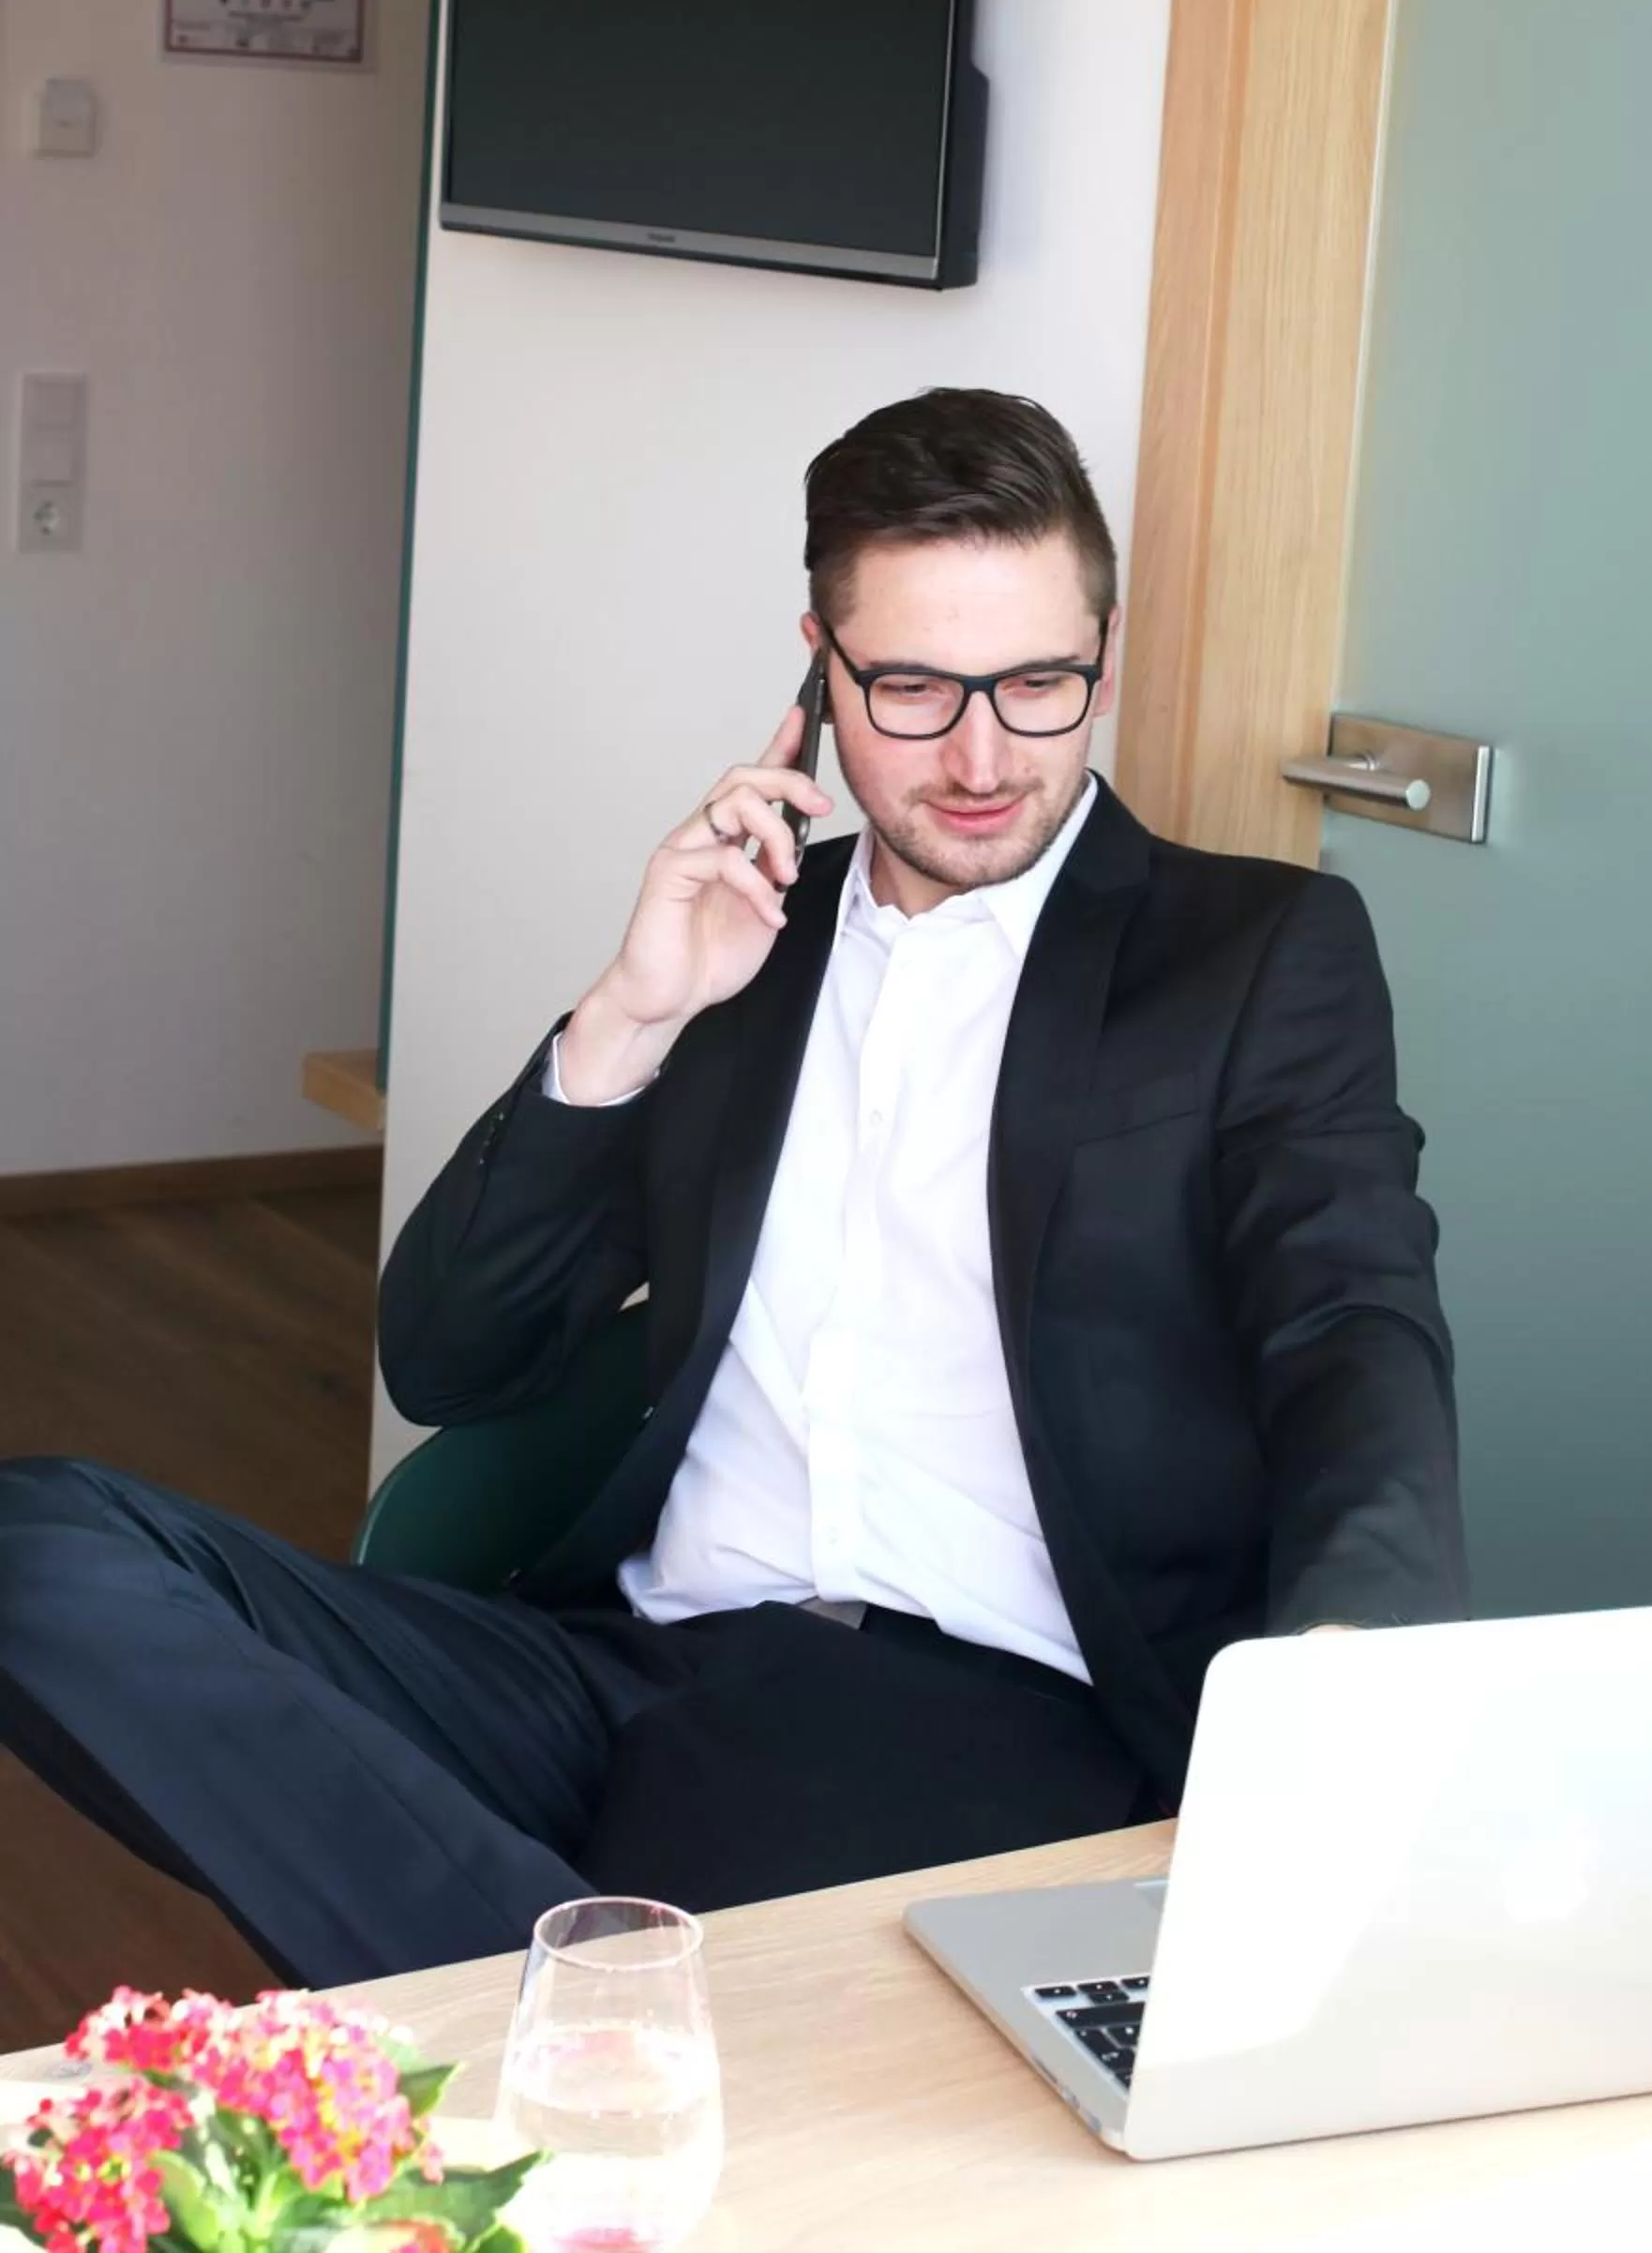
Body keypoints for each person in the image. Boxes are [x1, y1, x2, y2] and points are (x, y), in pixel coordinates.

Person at [0, 390, 1464, 1987]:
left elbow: (1351, 1321)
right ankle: (597, 1998)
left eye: (1039, 685)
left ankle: (548, 1995)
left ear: (1102, 665)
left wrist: (1346, 1677)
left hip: (977, 1709)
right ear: (817, 675)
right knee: (42, 1546)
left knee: (672, 1862)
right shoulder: (745, 946)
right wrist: (631, 1012)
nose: (982, 756)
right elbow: (452, 1356)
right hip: (613, 1657)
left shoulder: (1253, 956)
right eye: (910, 687)